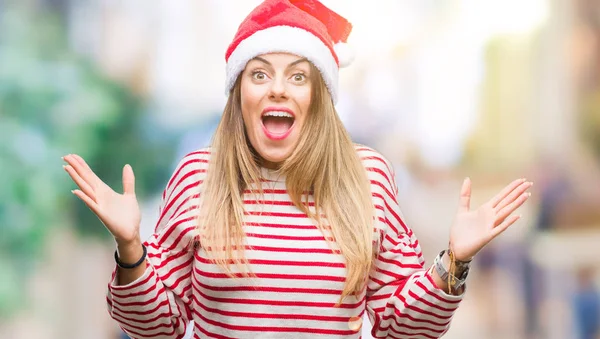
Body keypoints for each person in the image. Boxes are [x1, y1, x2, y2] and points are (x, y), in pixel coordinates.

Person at [62, 0, 532, 338]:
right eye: (260, 73)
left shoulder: (367, 177)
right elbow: (158, 326)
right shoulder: (196, 176)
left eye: (298, 76)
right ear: (239, 95)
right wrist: (130, 250)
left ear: (319, 97)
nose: (278, 90)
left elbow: (401, 327)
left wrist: (454, 262)